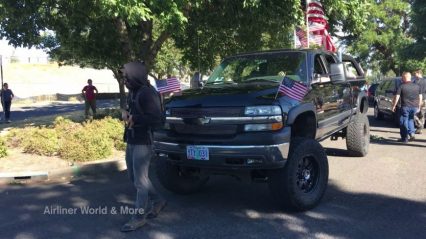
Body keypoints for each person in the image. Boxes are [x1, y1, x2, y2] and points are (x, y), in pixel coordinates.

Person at [120, 61, 167, 232]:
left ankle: (139, 217)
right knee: (135, 178)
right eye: (123, 76)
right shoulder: (133, 92)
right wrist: (125, 114)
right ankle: (159, 201)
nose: (124, 79)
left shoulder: (147, 93)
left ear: (135, 76)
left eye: (126, 76)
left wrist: (135, 119)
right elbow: (132, 112)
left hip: (143, 142)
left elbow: (158, 120)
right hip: (131, 140)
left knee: (140, 181)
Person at [392, 72, 423, 143]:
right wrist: (419, 105)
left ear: (404, 78)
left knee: (403, 121)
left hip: (405, 106)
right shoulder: (417, 86)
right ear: (410, 78)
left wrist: (394, 105)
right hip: (415, 107)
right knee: (410, 120)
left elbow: (397, 96)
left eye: (402, 78)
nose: (402, 79)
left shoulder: (401, 86)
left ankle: (404, 138)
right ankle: (411, 133)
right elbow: (420, 96)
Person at [412, 69, 426, 134]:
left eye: (415, 74)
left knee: (415, 113)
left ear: (418, 73)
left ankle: (419, 126)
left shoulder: (415, 82)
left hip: (418, 99)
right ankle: (420, 128)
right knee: (421, 114)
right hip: (423, 99)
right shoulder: (424, 81)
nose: (414, 75)